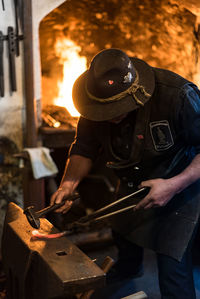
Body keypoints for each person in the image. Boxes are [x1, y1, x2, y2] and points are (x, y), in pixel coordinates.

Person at [51, 48, 200, 298]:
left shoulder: (177, 95)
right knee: (124, 242)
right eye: (103, 111)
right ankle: (129, 273)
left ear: (136, 92)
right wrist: (68, 184)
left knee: (172, 270)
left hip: (181, 184)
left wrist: (173, 184)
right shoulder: (92, 100)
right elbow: (84, 147)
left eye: (117, 108)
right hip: (132, 182)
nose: (108, 117)